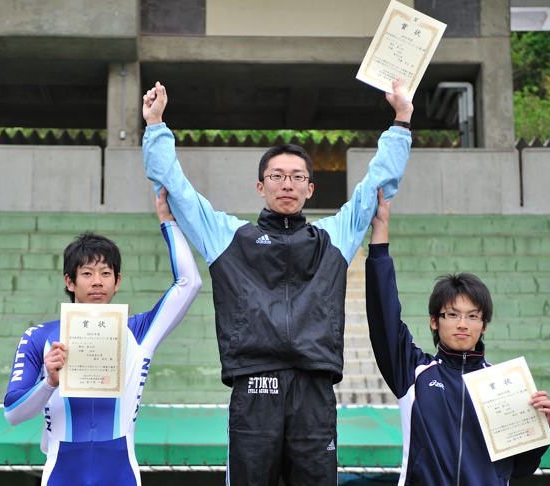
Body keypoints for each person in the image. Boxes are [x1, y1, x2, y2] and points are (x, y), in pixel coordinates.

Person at [141, 80, 413, 485]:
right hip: (254, 385)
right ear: (260, 186)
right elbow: (177, 189)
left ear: (310, 188)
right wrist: (156, 125)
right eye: (277, 176)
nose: (287, 184)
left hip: (314, 389)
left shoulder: (332, 238)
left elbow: (376, 186)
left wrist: (402, 120)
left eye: (297, 177)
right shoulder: (228, 237)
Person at [3, 189, 202, 486]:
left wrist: (167, 221)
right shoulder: (39, 338)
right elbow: (13, 413)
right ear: (69, 281)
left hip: (120, 470)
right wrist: (49, 383)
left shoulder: (138, 332)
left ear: (117, 281)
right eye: (87, 273)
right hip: (62, 472)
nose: (97, 281)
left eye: (106, 273)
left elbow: (189, 283)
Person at [365, 189, 550, 485]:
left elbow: (518, 469)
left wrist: (541, 430)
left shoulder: (504, 386)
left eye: (472, 315)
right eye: (452, 314)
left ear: (484, 325)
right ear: (434, 322)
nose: (462, 324)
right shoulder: (414, 374)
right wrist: (380, 239)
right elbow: (383, 316)